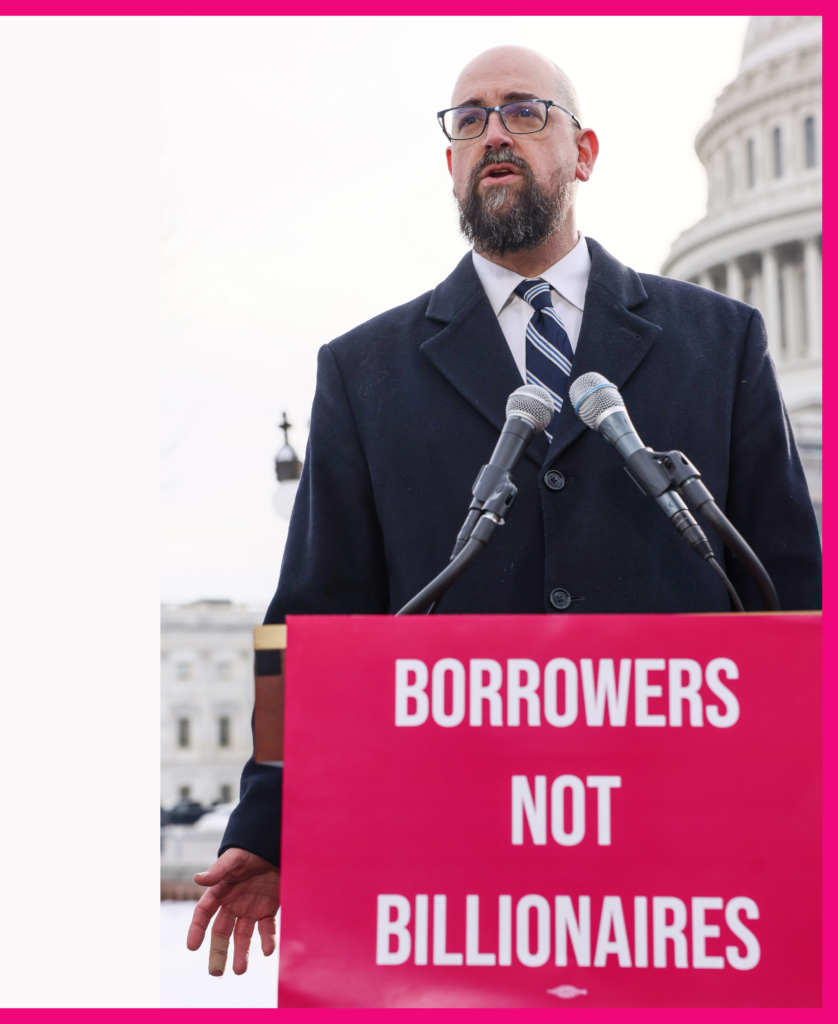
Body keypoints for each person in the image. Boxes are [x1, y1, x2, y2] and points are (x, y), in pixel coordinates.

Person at [185, 44, 823, 975]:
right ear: (449, 161)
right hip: (453, 877)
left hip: (683, 872)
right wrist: (270, 821)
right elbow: (311, 621)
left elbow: (793, 599)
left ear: (586, 150)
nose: (493, 132)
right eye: (469, 119)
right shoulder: (363, 373)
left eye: (524, 111)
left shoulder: (719, 342)